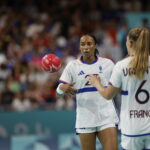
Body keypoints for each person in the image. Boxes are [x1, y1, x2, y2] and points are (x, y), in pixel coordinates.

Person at [89, 27, 150, 150]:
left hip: (132, 129)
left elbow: (107, 95)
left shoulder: (121, 66)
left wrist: (96, 83)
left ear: (130, 43)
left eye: (126, 41)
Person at [56, 34, 118, 150]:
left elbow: (118, 87)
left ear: (95, 46)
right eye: (82, 44)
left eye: (89, 44)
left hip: (106, 116)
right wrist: (61, 89)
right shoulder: (72, 66)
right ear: (79, 47)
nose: (86, 47)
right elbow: (58, 95)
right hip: (85, 119)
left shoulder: (108, 64)